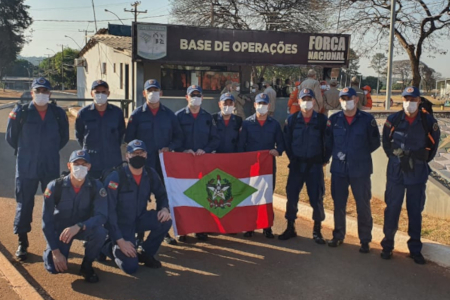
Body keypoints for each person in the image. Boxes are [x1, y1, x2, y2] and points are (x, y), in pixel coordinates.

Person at [6, 77, 69, 261]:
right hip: (26, 165)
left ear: (50, 93)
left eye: (45, 91)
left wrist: (48, 151)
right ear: (32, 92)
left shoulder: (57, 113)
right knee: (24, 203)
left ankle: (54, 241)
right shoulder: (21, 112)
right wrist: (28, 152)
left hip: (49, 164)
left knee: (52, 203)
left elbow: (63, 137)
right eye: (38, 91)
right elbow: (11, 137)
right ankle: (22, 242)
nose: (41, 94)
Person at [380, 87, 440, 264]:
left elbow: (433, 145)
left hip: (417, 172)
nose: (409, 103)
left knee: (415, 211)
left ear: (419, 101)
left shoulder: (427, 121)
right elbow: (386, 143)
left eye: (413, 100)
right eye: (406, 99)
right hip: (396, 172)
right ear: (402, 100)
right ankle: (387, 245)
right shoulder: (394, 119)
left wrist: (421, 160)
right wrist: (396, 157)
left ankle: (414, 249)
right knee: (392, 209)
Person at [124, 79, 182, 245]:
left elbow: (179, 137)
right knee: (140, 198)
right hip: (142, 165)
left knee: (162, 196)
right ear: (144, 93)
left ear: (161, 93)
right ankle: (138, 233)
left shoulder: (169, 115)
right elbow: (129, 140)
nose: (153, 93)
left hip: (163, 165)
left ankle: (163, 230)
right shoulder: (136, 115)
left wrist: (170, 147)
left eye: (156, 90)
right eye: (149, 90)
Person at [101, 140, 172, 274]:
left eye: (141, 153)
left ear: (146, 155)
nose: (138, 156)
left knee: (166, 220)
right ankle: (106, 246)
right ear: (127, 156)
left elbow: (162, 195)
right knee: (130, 267)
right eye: (134, 153)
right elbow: (109, 211)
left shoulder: (150, 174)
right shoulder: (116, 177)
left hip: (140, 218)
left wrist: (164, 208)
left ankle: (146, 253)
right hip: (120, 225)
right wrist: (120, 241)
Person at [325, 87, 380, 252]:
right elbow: (328, 142)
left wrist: (357, 154)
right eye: (343, 98)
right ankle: (338, 235)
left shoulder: (367, 120)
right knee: (339, 204)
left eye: (349, 98)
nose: (345, 101)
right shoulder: (333, 120)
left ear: (356, 99)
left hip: (360, 169)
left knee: (362, 205)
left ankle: (364, 240)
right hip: (339, 170)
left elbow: (374, 142)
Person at [42, 150, 107, 282]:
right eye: (76, 164)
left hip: (82, 227)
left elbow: (102, 216)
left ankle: (87, 265)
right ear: (69, 165)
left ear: (89, 167)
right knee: (53, 268)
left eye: (84, 164)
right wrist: (55, 252)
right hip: (62, 232)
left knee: (100, 232)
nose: (80, 167)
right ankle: (51, 251)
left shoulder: (96, 186)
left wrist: (80, 226)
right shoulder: (55, 186)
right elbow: (46, 221)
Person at [280, 89, 330, 243]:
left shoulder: (322, 120)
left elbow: (328, 143)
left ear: (314, 101)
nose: (307, 102)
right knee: (292, 196)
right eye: (304, 99)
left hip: (314, 166)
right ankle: (290, 227)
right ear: (299, 101)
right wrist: (293, 158)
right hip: (297, 165)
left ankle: (317, 230)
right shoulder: (292, 120)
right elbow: (286, 142)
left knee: (316, 198)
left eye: (309, 99)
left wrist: (324, 159)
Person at [176, 85, 220, 241]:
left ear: (202, 97)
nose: (195, 97)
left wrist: (205, 150)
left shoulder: (208, 118)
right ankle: (183, 229)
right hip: (184, 163)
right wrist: (184, 150)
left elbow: (215, 139)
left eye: (198, 95)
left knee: (203, 196)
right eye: (192, 95)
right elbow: (174, 139)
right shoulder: (179, 117)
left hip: (202, 163)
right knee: (184, 196)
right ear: (186, 97)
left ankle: (201, 228)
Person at [237, 93, 285, 239]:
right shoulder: (246, 124)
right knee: (250, 196)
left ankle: (267, 226)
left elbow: (281, 143)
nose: (262, 106)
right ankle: (249, 226)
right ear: (254, 105)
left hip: (268, 166)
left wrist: (278, 151)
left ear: (268, 106)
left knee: (266, 195)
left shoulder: (274, 124)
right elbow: (241, 145)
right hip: (251, 167)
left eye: (264, 104)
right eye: (259, 104)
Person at [75, 80, 126, 179]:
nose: (100, 95)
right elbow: (79, 135)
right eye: (97, 92)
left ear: (108, 93)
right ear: (91, 94)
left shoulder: (117, 112)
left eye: (103, 92)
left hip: (113, 161)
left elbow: (121, 133)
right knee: (93, 192)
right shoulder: (83, 113)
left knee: (113, 191)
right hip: (91, 161)